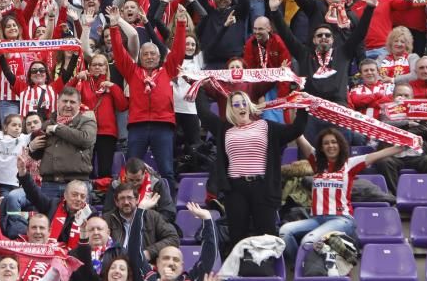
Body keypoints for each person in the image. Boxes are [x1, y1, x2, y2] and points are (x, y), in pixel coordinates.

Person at [198, 88, 308, 252]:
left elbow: (296, 129)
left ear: (250, 106)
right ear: (231, 109)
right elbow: (204, 114)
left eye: (244, 103)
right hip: (235, 188)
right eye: (236, 104)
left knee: (266, 233)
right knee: (237, 234)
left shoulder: (266, 126)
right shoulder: (225, 128)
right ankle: (238, 271)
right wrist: (198, 85)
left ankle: (268, 270)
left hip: (262, 186)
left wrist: (303, 105)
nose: (241, 107)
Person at [280, 128, 402, 262]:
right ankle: (298, 265)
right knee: (285, 231)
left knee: (309, 240)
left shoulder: (350, 164)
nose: (330, 146)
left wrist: (405, 145)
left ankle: (304, 265)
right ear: (321, 147)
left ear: (340, 145)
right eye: (326, 143)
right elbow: (299, 135)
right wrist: (294, 115)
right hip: (317, 219)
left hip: (342, 220)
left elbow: (380, 154)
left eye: (334, 142)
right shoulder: (316, 162)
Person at [107, 2, 187, 190]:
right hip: (138, 126)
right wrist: (113, 27)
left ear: (159, 57)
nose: (150, 57)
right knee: (131, 170)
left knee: (167, 170)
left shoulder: (168, 70)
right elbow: (119, 53)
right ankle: (128, 203)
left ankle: (169, 209)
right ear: (140, 57)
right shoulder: (132, 71)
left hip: (163, 125)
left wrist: (181, 23)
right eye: (146, 54)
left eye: (153, 54)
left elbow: (179, 52)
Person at [27, 86, 97, 200]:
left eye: (72, 102)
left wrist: (56, 128)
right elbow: (37, 155)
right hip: (49, 185)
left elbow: (86, 139)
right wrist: (32, 147)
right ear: (58, 103)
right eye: (65, 101)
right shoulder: (47, 124)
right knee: (48, 218)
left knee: (78, 218)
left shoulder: (87, 122)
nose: (68, 105)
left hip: (77, 184)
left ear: (79, 105)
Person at [104, 182, 179, 260]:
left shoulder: (152, 217)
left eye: (129, 198)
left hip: (144, 265)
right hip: (116, 264)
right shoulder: (107, 219)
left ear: (137, 199)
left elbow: (173, 238)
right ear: (116, 202)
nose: (126, 202)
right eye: (122, 198)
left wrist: (149, 252)